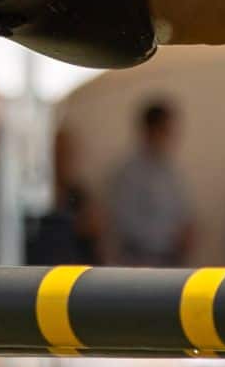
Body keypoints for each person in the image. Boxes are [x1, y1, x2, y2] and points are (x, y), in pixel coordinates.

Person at [107, 100, 193, 265]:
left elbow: (185, 213)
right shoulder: (128, 174)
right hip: (140, 264)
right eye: (165, 130)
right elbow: (126, 224)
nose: (170, 136)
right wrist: (169, 237)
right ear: (149, 130)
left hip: (172, 262)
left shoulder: (172, 172)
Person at [27, 128, 103, 265]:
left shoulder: (78, 194)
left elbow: (94, 231)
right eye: (56, 153)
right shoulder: (31, 195)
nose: (60, 159)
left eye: (64, 153)